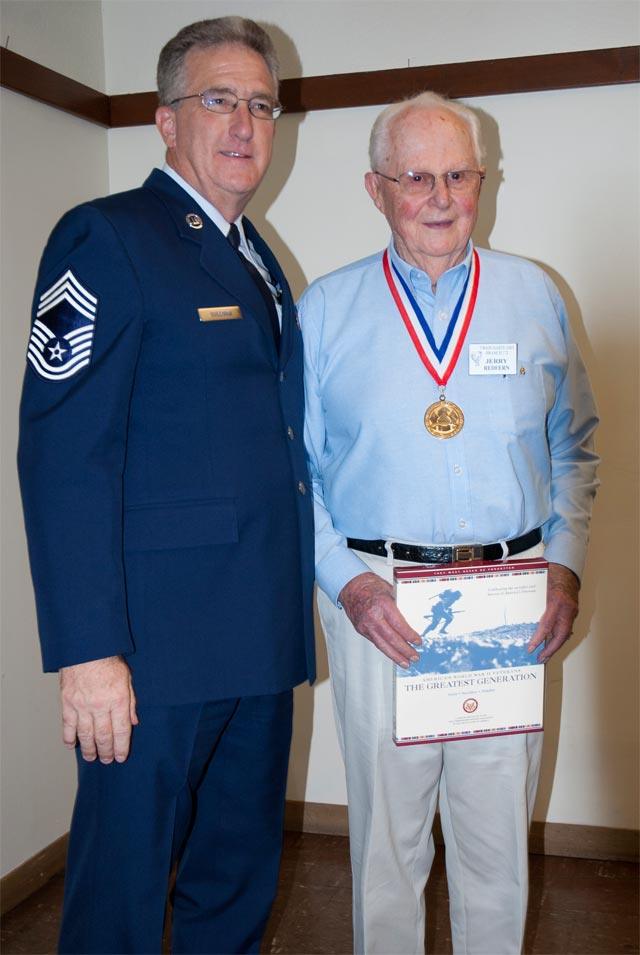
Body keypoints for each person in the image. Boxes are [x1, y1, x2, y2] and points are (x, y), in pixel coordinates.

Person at [18, 16, 315, 955]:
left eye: (261, 105)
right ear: (164, 119)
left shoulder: (258, 257)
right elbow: (63, 455)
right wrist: (89, 650)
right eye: (217, 99)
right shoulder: (107, 236)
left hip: (257, 638)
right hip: (152, 653)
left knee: (235, 882)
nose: (243, 124)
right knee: (121, 893)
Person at [299, 90, 598, 955]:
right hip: (379, 602)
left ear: (483, 179)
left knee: (495, 842)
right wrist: (346, 584)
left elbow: (577, 444)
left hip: (509, 600)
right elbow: (296, 473)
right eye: (416, 176)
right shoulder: (327, 311)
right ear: (376, 188)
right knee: (387, 848)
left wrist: (565, 565)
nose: (440, 196)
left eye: (458, 174)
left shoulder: (534, 295)